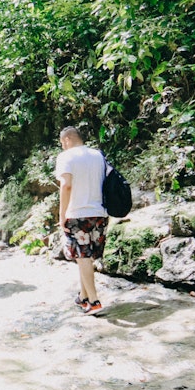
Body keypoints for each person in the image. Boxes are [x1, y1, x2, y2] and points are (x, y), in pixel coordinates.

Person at [56, 126, 108, 314]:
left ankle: (94, 301)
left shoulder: (66, 157)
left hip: (78, 213)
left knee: (83, 256)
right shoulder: (98, 155)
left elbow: (66, 186)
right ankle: (83, 297)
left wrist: (62, 215)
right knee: (86, 257)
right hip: (100, 213)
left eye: (62, 143)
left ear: (68, 139)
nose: (62, 147)